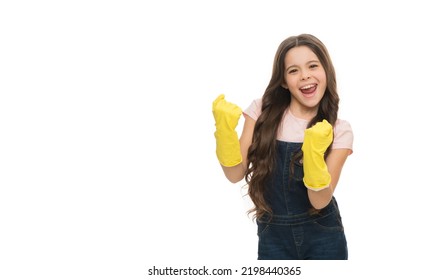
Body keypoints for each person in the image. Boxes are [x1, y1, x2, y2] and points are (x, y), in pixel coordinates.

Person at [212, 34, 354, 260]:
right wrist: (224, 133)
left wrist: (314, 154)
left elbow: (320, 200)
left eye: (313, 66)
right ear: (283, 81)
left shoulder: (339, 130)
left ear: (326, 71)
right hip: (272, 235)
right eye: (293, 70)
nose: (305, 75)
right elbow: (235, 174)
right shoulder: (261, 112)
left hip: (324, 235)